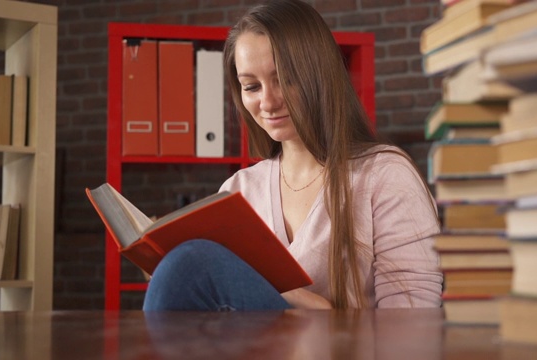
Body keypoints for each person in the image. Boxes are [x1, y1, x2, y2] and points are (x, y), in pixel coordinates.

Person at [143, 0, 443, 311]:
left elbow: (412, 328)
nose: (268, 102)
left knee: (191, 261)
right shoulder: (238, 190)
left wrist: (307, 305)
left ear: (319, 75)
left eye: (286, 79)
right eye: (251, 86)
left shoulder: (385, 174)